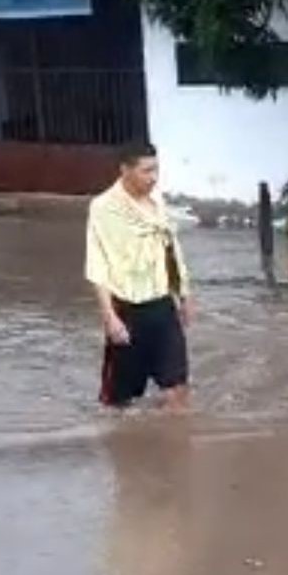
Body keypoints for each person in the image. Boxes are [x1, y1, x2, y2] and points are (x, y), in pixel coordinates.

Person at [86, 142, 193, 412]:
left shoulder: (157, 202)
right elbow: (98, 264)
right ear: (125, 170)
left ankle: (174, 448)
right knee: (119, 404)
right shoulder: (104, 208)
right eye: (146, 171)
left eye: (156, 170)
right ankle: (125, 449)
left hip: (163, 305)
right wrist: (109, 317)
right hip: (128, 310)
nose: (153, 177)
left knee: (178, 388)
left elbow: (171, 248)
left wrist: (184, 293)